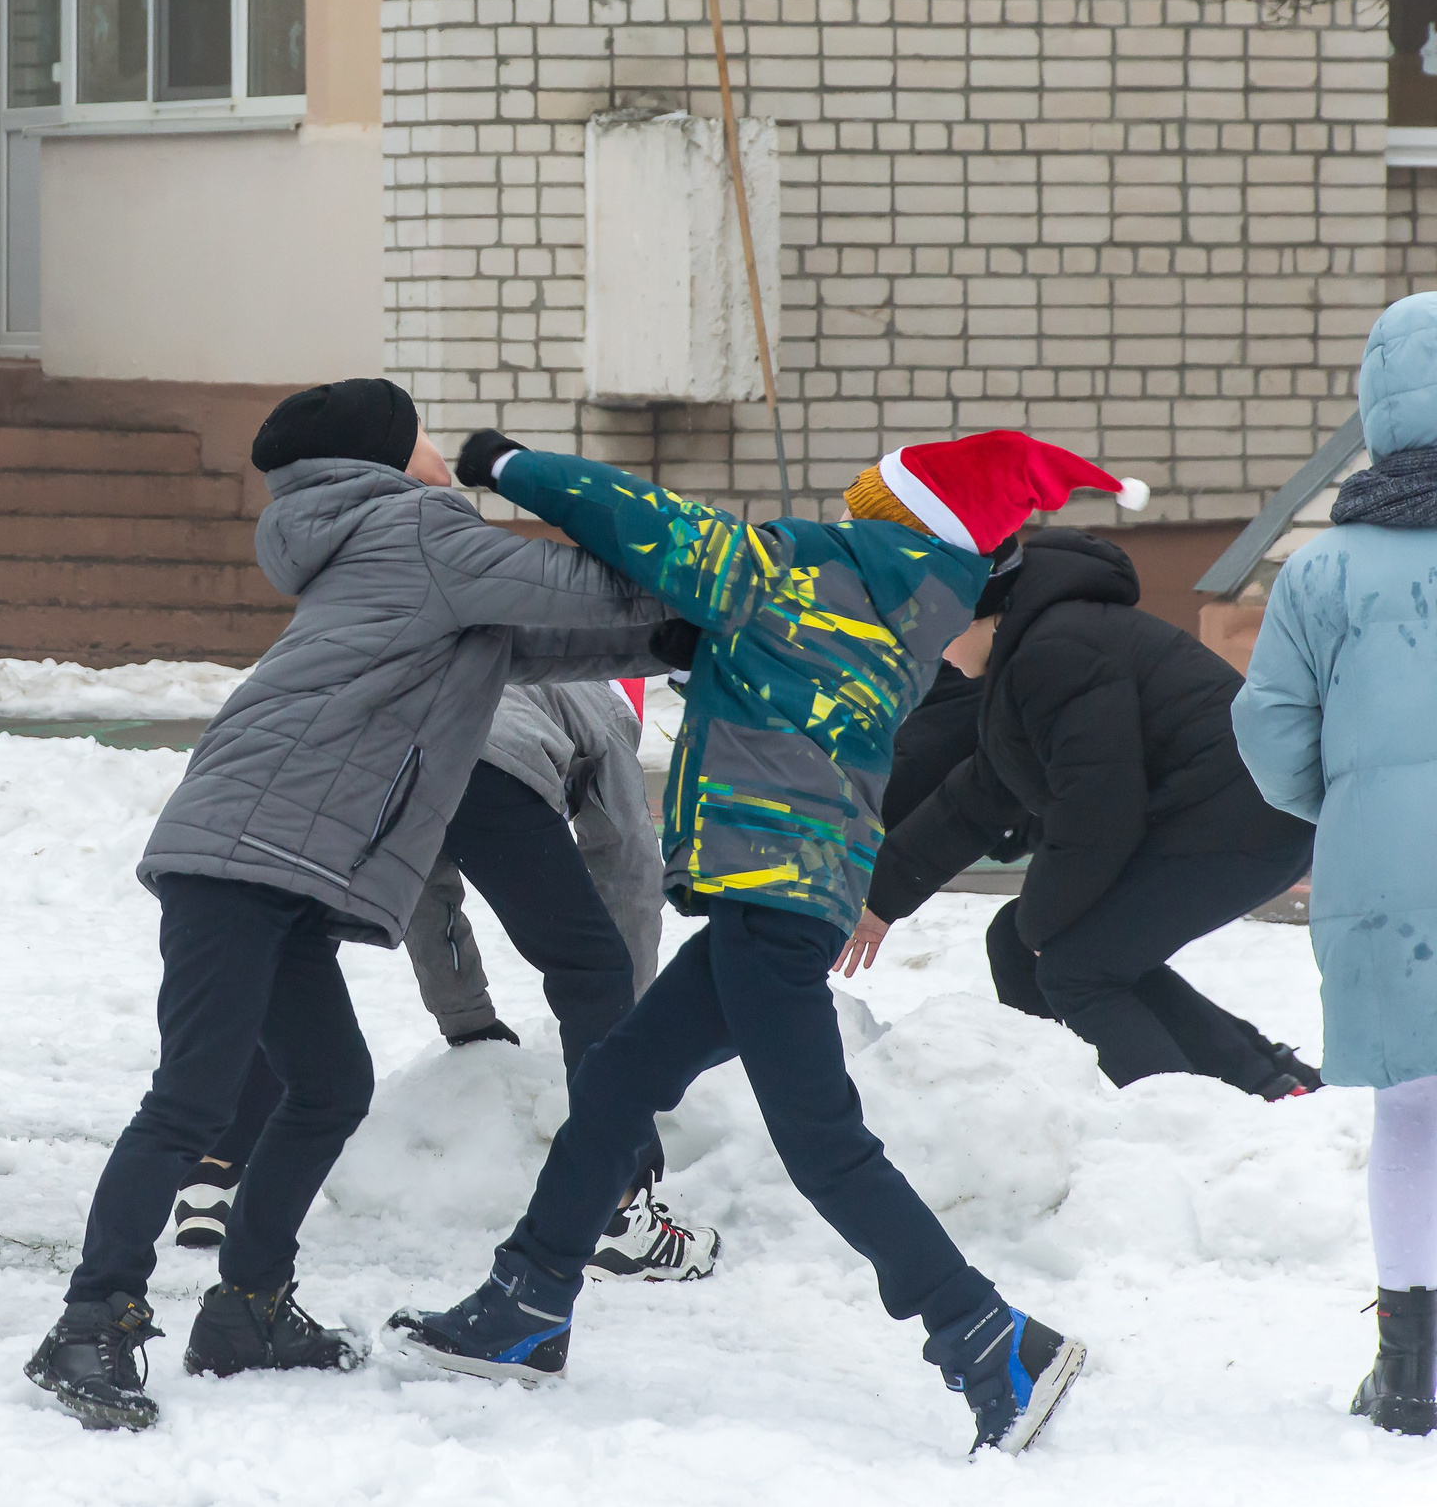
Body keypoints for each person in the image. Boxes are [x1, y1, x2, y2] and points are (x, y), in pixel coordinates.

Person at [391, 428, 1120, 1455]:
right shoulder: (913, 605)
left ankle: (986, 1335)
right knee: (615, 1081)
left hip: (769, 895)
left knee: (823, 1143)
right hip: (783, 896)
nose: (848, 508)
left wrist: (504, 463)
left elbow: (643, 524)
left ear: (892, 521)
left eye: (868, 501)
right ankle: (529, 1300)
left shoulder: (792, 571)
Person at [20, 378, 673, 1432]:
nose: (435, 452)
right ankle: (90, 1318)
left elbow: (550, 643)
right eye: (419, 434)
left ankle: (247, 1307)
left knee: (325, 1084)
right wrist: (725, 585)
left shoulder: (385, 544)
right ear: (379, 454)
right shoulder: (418, 530)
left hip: (270, 855)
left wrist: (684, 640)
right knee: (191, 1096)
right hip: (241, 850)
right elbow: (585, 591)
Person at [174, 678, 721, 1283]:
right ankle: (619, 1215)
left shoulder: (478, 656)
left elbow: (426, 881)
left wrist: (468, 1018)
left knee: (298, 944)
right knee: (593, 968)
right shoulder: (608, 710)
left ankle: (214, 1172)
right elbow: (626, 866)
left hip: (362, 760)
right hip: (484, 767)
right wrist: (628, 1022)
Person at [846, 529, 1321, 1099]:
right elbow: (976, 796)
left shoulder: (1056, 651)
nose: (934, 656)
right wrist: (881, 895)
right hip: (1213, 818)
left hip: (1240, 823)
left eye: (933, 637)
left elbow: (1097, 808)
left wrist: (1047, 920)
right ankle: (1253, 1078)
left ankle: (1184, 1117)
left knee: (1077, 966)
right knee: (1044, 947)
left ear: (974, 616)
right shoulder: (1033, 647)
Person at [1234, 290, 1437, 1437]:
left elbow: (1268, 731)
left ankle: (1409, 1370)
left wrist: (1348, 810)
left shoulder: (1324, 570)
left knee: (1413, 1112)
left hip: (1378, 885)